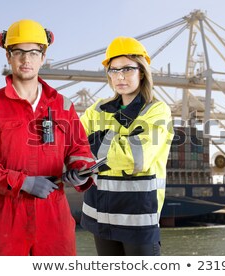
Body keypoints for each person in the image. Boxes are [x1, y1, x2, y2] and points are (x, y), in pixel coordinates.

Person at [0, 19, 96, 256]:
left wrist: (81, 170)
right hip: (6, 218)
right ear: (8, 56)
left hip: (55, 219)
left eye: (34, 52)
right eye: (19, 52)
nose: (26, 60)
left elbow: (80, 151)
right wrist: (22, 182)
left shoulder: (63, 106)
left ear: (43, 57)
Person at [79, 36, 174, 256]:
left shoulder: (156, 111)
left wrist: (92, 144)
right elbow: (73, 143)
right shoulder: (97, 109)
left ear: (142, 72)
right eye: (114, 70)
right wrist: (107, 145)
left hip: (137, 218)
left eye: (128, 69)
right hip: (98, 215)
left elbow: (136, 158)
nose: (120, 77)